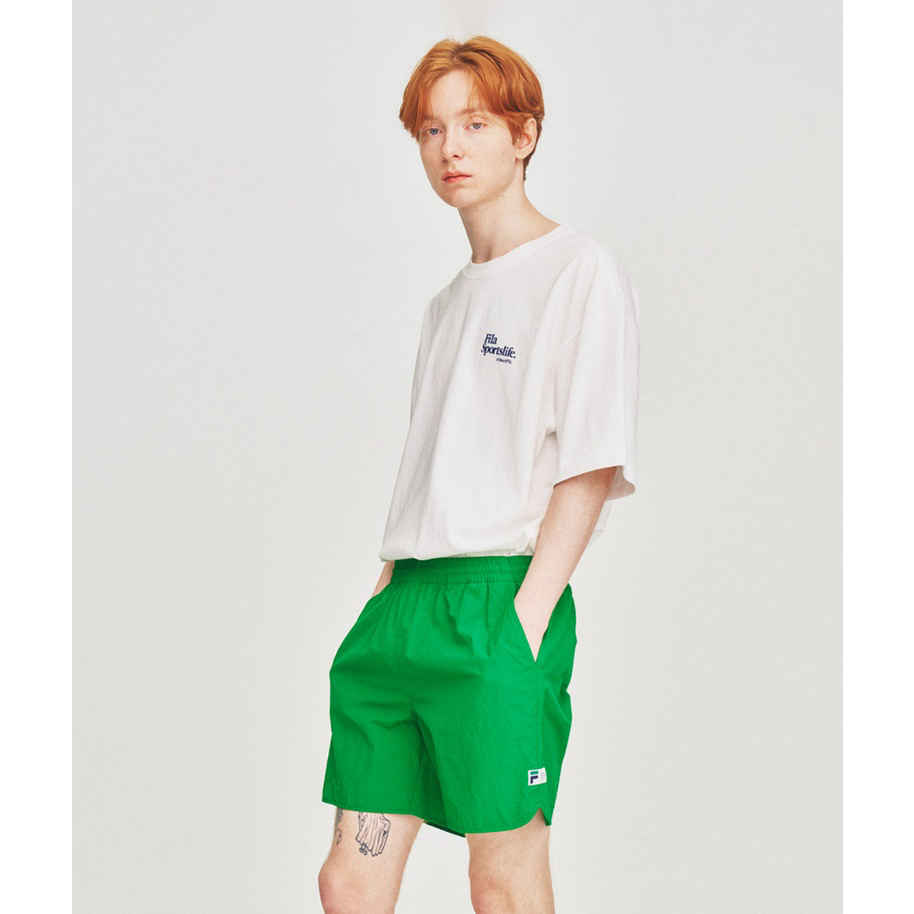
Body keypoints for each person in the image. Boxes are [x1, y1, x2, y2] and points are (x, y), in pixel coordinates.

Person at [318, 34, 640, 913]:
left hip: (498, 603)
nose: (450, 148)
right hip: (405, 607)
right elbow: (433, 463)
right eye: (431, 130)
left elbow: (590, 461)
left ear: (524, 135)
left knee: (502, 876)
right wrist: (384, 594)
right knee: (348, 879)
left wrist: (526, 619)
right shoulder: (447, 304)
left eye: (474, 124)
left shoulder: (577, 271)